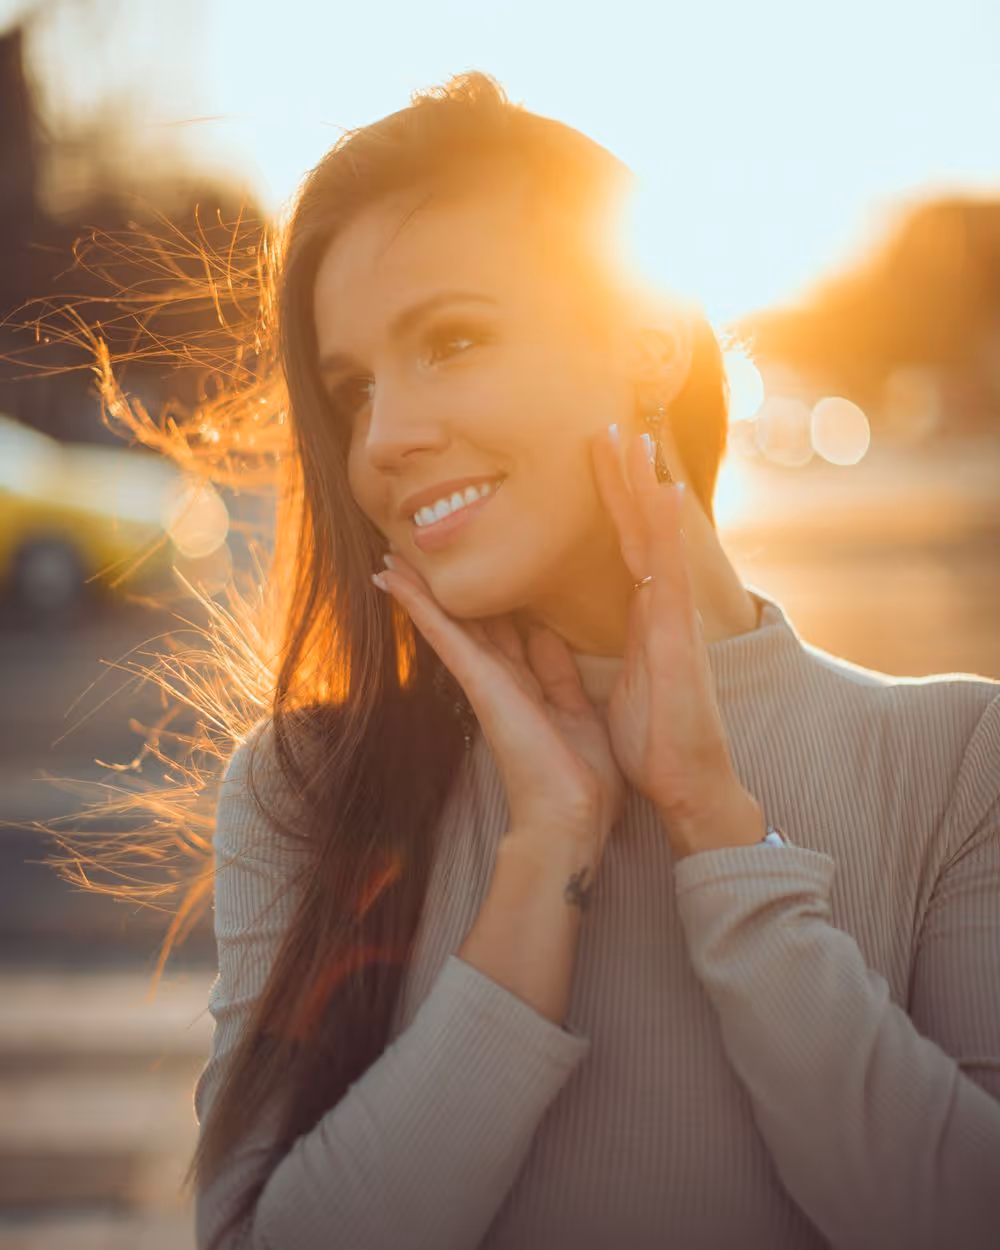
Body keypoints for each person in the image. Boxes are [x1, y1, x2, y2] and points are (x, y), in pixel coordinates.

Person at [188, 71, 1000, 1250]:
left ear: (648, 343)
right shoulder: (302, 788)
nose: (385, 438)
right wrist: (543, 859)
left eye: (451, 339)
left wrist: (717, 829)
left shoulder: (956, 760)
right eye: (351, 388)